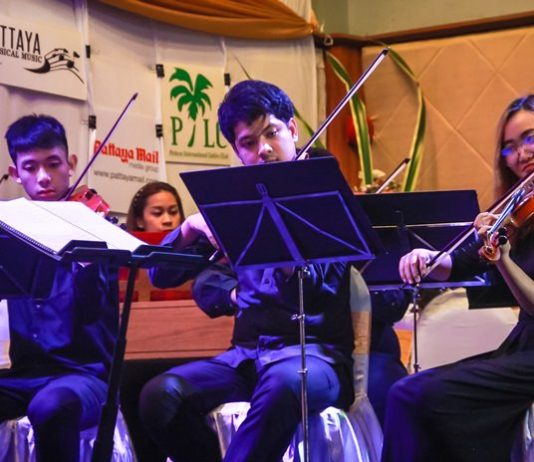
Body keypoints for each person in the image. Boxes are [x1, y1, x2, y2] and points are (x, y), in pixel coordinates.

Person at [138, 80, 357, 462]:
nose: (264, 149)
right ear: (238, 151)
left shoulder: (325, 196)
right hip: (246, 357)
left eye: (272, 133)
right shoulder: (235, 202)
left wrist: (278, 239)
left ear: (292, 130)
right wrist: (188, 229)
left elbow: (318, 287)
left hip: (316, 357)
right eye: (249, 143)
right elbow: (161, 275)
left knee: (284, 383)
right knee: (160, 395)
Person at [382, 94, 534, 462]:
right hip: (523, 350)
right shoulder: (522, 212)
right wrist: (430, 259)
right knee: (405, 393)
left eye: (530, 138)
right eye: (510, 147)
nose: (521, 154)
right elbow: (463, 263)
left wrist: (502, 259)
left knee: (419, 398)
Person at [0, 114, 120, 461]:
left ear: (71, 164)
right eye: (30, 167)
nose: (43, 177)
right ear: (15, 173)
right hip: (24, 374)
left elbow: (93, 311)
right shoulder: (10, 232)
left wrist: (89, 260)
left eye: (53, 164)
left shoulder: (98, 228)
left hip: (85, 377)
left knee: (50, 407)